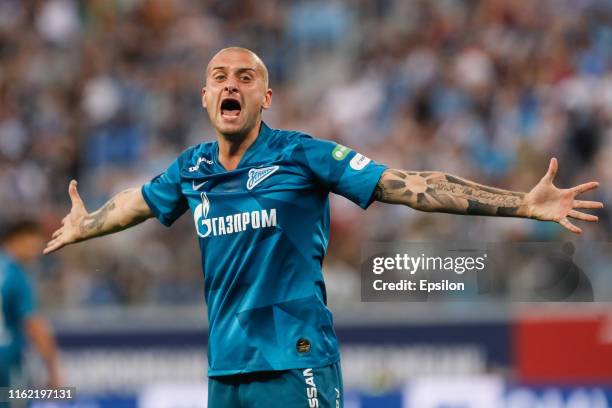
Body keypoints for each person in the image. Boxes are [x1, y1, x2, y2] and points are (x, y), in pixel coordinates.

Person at [43, 47, 603, 407]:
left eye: (245, 77)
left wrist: (521, 205)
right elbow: (137, 203)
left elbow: (407, 185)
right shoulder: (193, 168)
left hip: (296, 358)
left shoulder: (301, 155)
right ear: (206, 96)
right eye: (219, 77)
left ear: (266, 96)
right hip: (226, 368)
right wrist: (87, 222)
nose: (230, 84)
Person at [1, 221, 61, 397]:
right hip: (6, 360)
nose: (36, 252)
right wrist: (53, 371)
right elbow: (35, 325)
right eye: (31, 246)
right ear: (14, 241)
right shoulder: (16, 275)